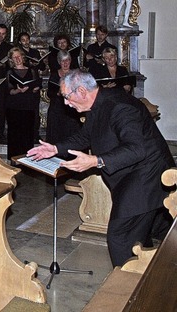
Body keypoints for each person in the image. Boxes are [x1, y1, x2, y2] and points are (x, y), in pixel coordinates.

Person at [27, 70, 174, 267]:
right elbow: (85, 136)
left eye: (67, 96)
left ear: (81, 91)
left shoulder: (120, 107)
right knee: (144, 235)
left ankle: (126, 287)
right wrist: (55, 148)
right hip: (133, 177)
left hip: (146, 178)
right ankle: (146, 279)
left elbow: (137, 149)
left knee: (121, 237)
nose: (66, 103)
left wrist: (96, 161)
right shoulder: (98, 104)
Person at [5, 47, 40, 159]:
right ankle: (15, 160)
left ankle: (27, 160)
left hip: (28, 105)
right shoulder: (10, 72)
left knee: (27, 134)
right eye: (14, 57)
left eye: (19, 56)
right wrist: (18, 90)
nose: (17, 59)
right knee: (15, 135)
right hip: (14, 106)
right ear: (11, 60)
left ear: (23, 57)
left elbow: (36, 86)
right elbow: (9, 90)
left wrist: (35, 88)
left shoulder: (32, 71)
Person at [46, 50, 82, 145]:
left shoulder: (75, 75)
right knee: (56, 137)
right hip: (57, 109)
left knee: (70, 135)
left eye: (67, 60)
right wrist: (57, 93)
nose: (65, 63)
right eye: (63, 61)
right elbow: (49, 93)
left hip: (71, 111)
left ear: (71, 61)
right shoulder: (54, 75)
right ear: (59, 62)